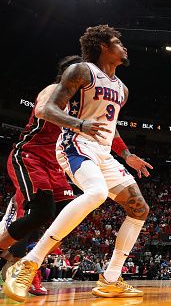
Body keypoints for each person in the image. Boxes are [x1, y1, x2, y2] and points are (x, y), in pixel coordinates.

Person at [4, 25, 153, 302]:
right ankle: (28, 263)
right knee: (95, 193)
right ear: (103, 47)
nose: (124, 46)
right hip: (75, 143)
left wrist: (127, 155)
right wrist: (79, 123)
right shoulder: (82, 71)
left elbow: (110, 126)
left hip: (103, 152)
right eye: (117, 41)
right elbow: (46, 109)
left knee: (139, 209)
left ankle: (110, 279)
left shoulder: (122, 88)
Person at [0, 56, 82, 296]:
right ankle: (25, 268)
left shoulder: (79, 102)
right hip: (30, 156)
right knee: (40, 213)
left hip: (54, 165)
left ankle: (31, 262)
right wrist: (79, 123)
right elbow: (43, 111)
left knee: (71, 212)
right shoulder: (53, 90)